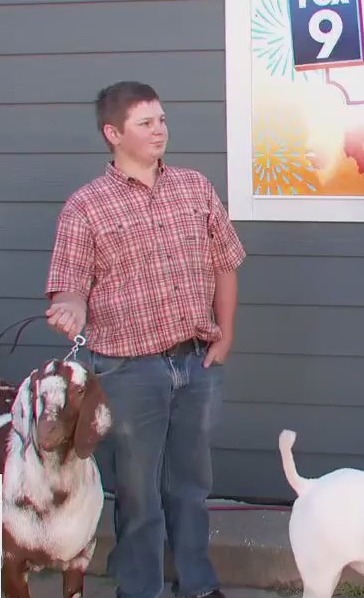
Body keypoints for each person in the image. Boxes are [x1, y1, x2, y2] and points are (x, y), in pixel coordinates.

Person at [44, 81, 247, 598]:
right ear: (113, 133)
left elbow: (226, 263)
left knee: (192, 488)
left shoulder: (194, 188)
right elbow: (71, 285)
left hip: (196, 364)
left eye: (161, 120)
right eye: (145, 123)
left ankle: (198, 586)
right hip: (128, 373)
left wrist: (223, 338)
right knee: (138, 494)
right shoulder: (85, 207)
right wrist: (70, 307)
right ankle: (140, 590)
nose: (160, 130)